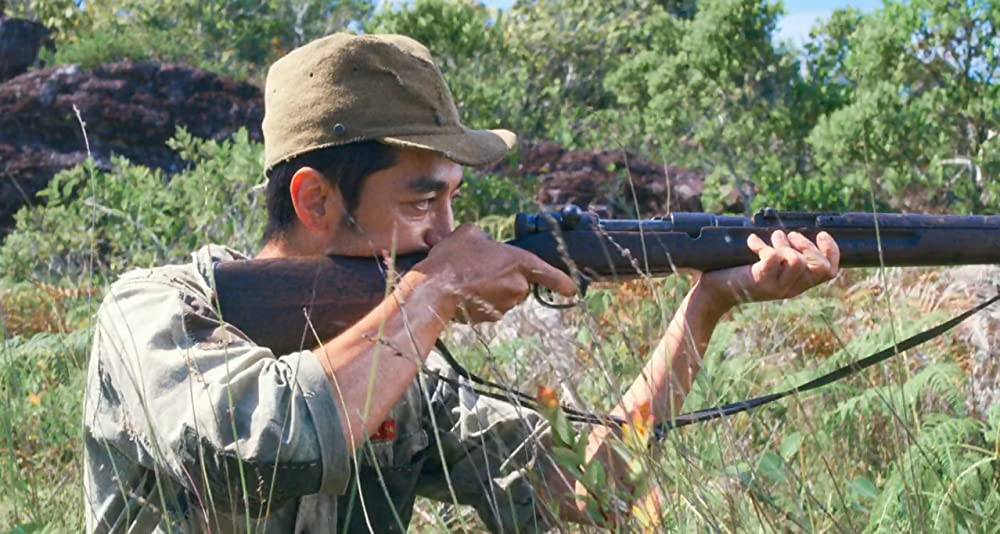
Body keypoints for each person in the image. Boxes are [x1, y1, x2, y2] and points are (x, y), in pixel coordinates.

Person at [83, 33, 840, 533]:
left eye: (453, 196)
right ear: (316, 200)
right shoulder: (152, 311)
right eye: (421, 198)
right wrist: (436, 290)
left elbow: (591, 491)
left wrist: (707, 305)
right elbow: (260, 448)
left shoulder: (409, 356)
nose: (450, 231)